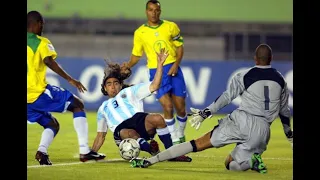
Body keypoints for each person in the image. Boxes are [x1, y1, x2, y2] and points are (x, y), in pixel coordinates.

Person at [130, 44, 293, 174]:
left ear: (255, 58)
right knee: (230, 164)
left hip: (241, 121)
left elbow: (226, 97)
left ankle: (150, 161)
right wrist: (289, 134)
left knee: (196, 144)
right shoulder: (280, 79)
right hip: (263, 130)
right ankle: (251, 162)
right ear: (271, 58)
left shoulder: (245, 75)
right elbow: (284, 111)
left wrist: (206, 112)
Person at [27, 10, 105, 165]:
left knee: (52, 124)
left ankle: (42, 152)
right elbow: (48, 61)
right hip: (37, 93)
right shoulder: (40, 42)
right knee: (78, 105)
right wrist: (70, 79)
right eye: (41, 23)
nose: (42, 26)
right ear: (36, 24)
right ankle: (84, 151)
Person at [91, 49, 192, 162]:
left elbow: (154, 86)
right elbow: (100, 135)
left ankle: (172, 153)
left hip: (139, 122)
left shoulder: (130, 92)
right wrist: (91, 153)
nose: (113, 86)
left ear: (120, 85)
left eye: (116, 83)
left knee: (158, 118)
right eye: (109, 84)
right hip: (122, 131)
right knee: (129, 132)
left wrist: (160, 65)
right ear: (105, 88)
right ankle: (152, 150)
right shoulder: (102, 109)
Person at [122, 0, 187, 145]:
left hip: (173, 68)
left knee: (181, 108)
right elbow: (136, 55)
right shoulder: (140, 32)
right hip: (156, 71)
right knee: (167, 106)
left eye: (157, 10)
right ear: (146, 11)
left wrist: (176, 64)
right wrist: (128, 65)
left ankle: (181, 132)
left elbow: (179, 47)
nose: (154, 13)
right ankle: (175, 138)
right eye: (151, 10)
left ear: (160, 11)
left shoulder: (171, 27)